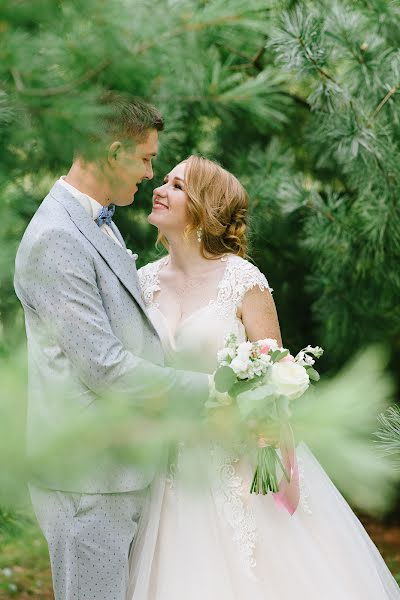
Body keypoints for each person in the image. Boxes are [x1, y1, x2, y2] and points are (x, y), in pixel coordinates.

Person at [129, 155, 400, 599]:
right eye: (163, 180)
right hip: (166, 466)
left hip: (237, 462)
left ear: (203, 207)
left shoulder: (243, 280)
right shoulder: (141, 282)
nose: (159, 189)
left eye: (176, 186)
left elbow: (276, 381)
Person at [14, 98, 210, 600]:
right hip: (87, 481)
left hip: (117, 470)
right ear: (114, 151)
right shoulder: (55, 237)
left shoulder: (96, 221)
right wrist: (208, 390)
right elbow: (104, 366)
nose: (151, 173)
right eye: (146, 158)